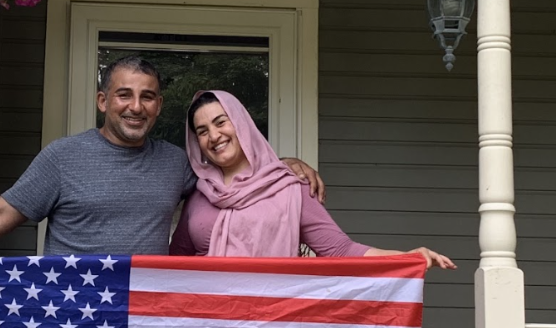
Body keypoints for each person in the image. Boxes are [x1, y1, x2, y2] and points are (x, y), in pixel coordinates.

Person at [0, 58, 323, 269]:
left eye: (147, 97)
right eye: (124, 95)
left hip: (144, 314)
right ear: (102, 100)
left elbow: (229, 177)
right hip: (72, 314)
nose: (135, 106)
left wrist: (283, 165)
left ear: (158, 105)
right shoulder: (62, 157)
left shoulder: (175, 163)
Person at [170, 89, 456, 271]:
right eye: (202, 130)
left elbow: (340, 250)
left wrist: (407, 257)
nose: (214, 136)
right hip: (206, 325)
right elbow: (176, 261)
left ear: (241, 124)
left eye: (221, 122)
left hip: (268, 322)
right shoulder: (199, 193)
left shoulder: (289, 187)